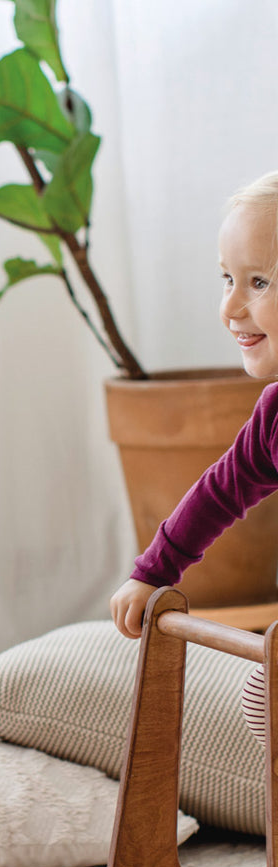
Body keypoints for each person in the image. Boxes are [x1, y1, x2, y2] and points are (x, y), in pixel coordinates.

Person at [110, 170, 278, 740]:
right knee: (264, 694)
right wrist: (153, 572)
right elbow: (220, 490)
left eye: (259, 282)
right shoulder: (275, 415)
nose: (231, 305)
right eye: (227, 278)